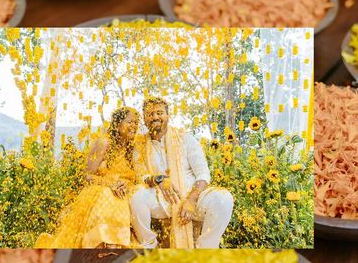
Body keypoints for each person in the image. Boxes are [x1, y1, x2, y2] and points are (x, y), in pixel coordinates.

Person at [131, 97, 233, 248]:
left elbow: (203, 173)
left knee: (223, 198)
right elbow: (141, 175)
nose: (155, 117)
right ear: (144, 118)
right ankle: (149, 245)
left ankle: (205, 249)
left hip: (193, 199)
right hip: (161, 200)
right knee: (136, 194)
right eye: (150, 114)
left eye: (159, 113)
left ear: (168, 115)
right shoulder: (140, 144)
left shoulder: (184, 138)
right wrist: (159, 180)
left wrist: (191, 200)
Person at [35, 107, 139, 249]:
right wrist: (110, 184)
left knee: (121, 199)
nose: (134, 126)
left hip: (122, 192)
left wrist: (126, 185)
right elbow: (87, 176)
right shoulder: (103, 143)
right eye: (130, 122)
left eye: (136, 123)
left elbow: (134, 177)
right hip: (100, 190)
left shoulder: (132, 148)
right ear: (117, 124)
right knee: (107, 196)